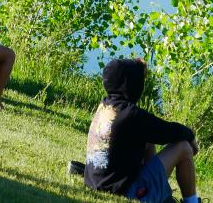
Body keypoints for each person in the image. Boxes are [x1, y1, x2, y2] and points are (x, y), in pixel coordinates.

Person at [85, 58, 201, 203]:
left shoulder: (105, 106)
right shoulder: (132, 115)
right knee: (183, 147)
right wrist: (192, 140)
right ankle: (192, 201)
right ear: (132, 84)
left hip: (98, 183)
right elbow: (172, 131)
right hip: (127, 193)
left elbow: (155, 131)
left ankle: (160, 192)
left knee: (147, 139)